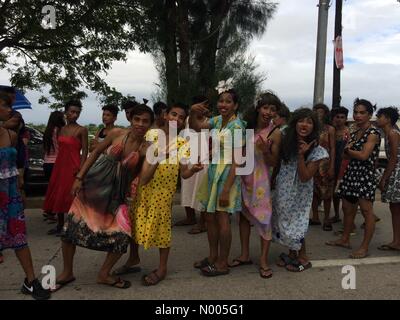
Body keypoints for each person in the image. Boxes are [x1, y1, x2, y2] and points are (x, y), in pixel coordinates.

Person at [53, 104, 154, 291]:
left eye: (145, 121)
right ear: (131, 120)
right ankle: (67, 272)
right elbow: (96, 153)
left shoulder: (146, 148)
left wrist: (155, 158)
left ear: (150, 124)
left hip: (116, 193)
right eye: (137, 119)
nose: (140, 124)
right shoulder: (116, 133)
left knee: (122, 235)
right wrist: (79, 177)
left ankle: (104, 273)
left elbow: (142, 177)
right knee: (71, 229)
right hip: (94, 183)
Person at [130, 103, 204, 286]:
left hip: (164, 193)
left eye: (181, 117)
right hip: (145, 189)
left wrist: (193, 170)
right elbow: (141, 164)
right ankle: (133, 258)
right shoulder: (152, 135)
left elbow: (184, 173)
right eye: (173, 114)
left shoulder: (182, 144)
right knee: (135, 223)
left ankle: (162, 268)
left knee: (163, 230)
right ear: (165, 115)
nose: (176, 119)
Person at [190, 87, 245, 277]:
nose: (223, 104)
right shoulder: (218, 121)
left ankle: (223, 263)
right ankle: (213, 257)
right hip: (214, 172)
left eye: (228, 101)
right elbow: (196, 127)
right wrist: (192, 111)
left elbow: (238, 160)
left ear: (235, 105)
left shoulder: (237, 126)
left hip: (228, 175)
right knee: (209, 217)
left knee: (223, 219)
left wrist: (226, 189)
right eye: (221, 101)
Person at [0, 93, 51, 299]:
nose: (9, 109)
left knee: (19, 237)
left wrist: (19, 191)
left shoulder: (11, 135)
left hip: (9, 195)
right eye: (4, 105)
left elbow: (15, 166)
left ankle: (30, 281)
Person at [231, 91, 282, 279]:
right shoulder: (246, 128)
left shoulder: (275, 133)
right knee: (243, 217)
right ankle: (244, 255)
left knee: (264, 219)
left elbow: (273, 163)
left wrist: (266, 151)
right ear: (258, 108)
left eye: (273, 109)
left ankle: (263, 260)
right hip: (243, 177)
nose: (268, 112)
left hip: (260, 180)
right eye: (266, 107)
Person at [273, 108, 328, 272]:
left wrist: (302, 155)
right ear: (295, 123)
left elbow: (305, 177)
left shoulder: (318, 151)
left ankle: (303, 257)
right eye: (301, 120)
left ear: (314, 127)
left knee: (297, 222)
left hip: (300, 192)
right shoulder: (287, 140)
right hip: (283, 189)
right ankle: (292, 253)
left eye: (309, 122)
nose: (304, 124)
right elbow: (277, 164)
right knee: (283, 220)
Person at [326, 98, 381, 259]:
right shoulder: (354, 130)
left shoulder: (373, 133)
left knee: (366, 211)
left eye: (362, 113)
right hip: (351, 173)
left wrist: (350, 152)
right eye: (356, 112)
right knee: (347, 209)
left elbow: (363, 156)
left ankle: (364, 247)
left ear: (370, 115)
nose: (358, 115)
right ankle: (345, 239)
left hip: (365, 175)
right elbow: (345, 154)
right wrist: (349, 152)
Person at [43, 100, 88, 236]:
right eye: (72, 112)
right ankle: (60, 225)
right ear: (66, 112)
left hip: (74, 166)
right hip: (60, 166)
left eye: (77, 113)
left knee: (71, 196)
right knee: (58, 194)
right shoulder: (61, 129)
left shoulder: (82, 130)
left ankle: (71, 227)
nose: (75, 115)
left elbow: (85, 151)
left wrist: (81, 169)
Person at [175, 96, 210, 234]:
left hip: (204, 161)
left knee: (202, 192)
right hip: (187, 158)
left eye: (204, 106)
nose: (201, 108)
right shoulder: (188, 120)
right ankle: (190, 218)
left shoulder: (210, 122)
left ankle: (202, 223)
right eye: (198, 106)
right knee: (187, 188)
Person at [376, 107, 400, 251]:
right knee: (395, 207)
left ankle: (397, 241)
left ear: (388, 119)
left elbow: (393, 159)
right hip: (396, 171)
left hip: (397, 171)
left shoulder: (392, 133)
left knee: (396, 207)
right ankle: (396, 241)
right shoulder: (390, 133)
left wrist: (384, 178)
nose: (378, 119)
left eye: (380, 116)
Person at [310, 104, 336, 231]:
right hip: (312, 163)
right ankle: (315, 217)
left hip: (325, 164)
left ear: (326, 114)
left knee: (327, 193)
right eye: (316, 111)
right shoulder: (311, 128)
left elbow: (332, 148)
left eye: (321, 112)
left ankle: (326, 218)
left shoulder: (330, 129)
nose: (319, 114)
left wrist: (331, 166)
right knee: (313, 192)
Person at [331, 107, 350, 224]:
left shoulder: (348, 132)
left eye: (342, 117)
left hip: (345, 165)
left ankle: (348, 220)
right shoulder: (331, 131)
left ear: (346, 118)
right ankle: (337, 214)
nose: (339, 119)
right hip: (333, 164)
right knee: (335, 191)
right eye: (337, 117)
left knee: (345, 193)